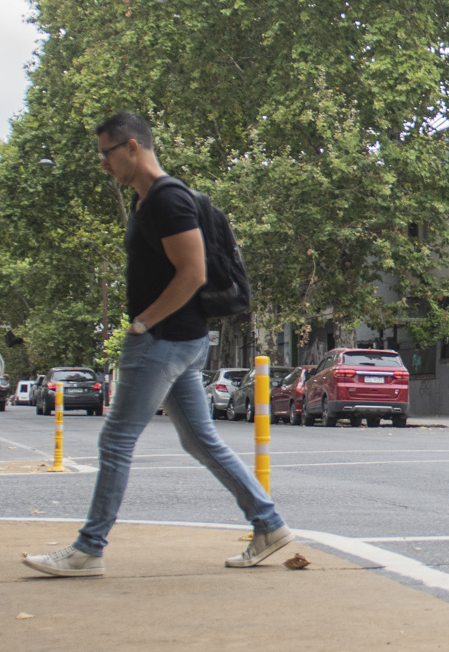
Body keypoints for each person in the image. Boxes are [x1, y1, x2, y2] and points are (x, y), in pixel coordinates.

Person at [26, 113, 296, 574]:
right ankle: (268, 524)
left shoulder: (167, 200)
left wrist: (142, 323)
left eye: (106, 153)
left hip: (162, 340)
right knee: (200, 440)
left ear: (132, 147)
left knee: (116, 439)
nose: (103, 164)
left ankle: (88, 550)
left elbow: (193, 273)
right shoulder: (145, 202)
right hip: (180, 341)